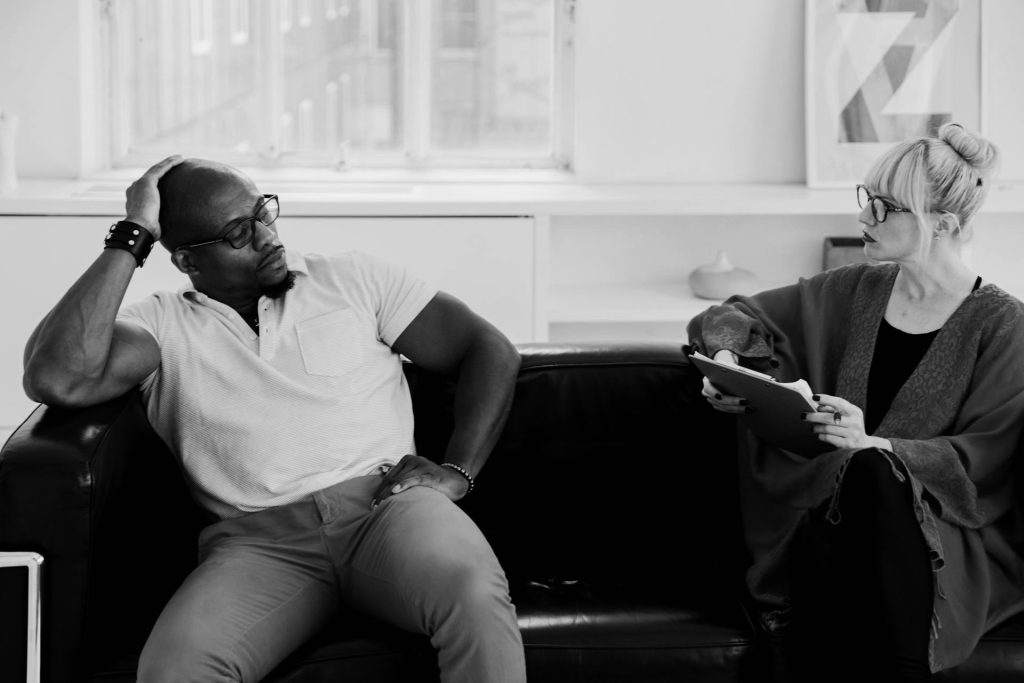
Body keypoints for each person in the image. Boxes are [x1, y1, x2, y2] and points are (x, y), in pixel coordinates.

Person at [21, 156, 527, 683]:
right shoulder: (161, 325)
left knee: (472, 590)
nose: (268, 237)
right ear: (188, 261)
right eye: (240, 231)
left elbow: (486, 348)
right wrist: (133, 234)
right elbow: (57, 377)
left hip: (388, 510)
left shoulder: (352, 279)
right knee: (177, 667)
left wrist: (458, 470)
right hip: (259, 546)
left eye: (263, 211)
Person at [686, 123, 1024, 682]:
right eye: (867, 198)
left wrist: (879, 445)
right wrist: (727, 366)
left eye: (885, 207)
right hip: (826, 519)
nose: (864, 219)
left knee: (870, 469)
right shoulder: (854, 289)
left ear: (941, 225)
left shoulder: (1003, 325)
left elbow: (986, 459)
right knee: (858, 478)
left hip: (940, 537)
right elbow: (730, 315)